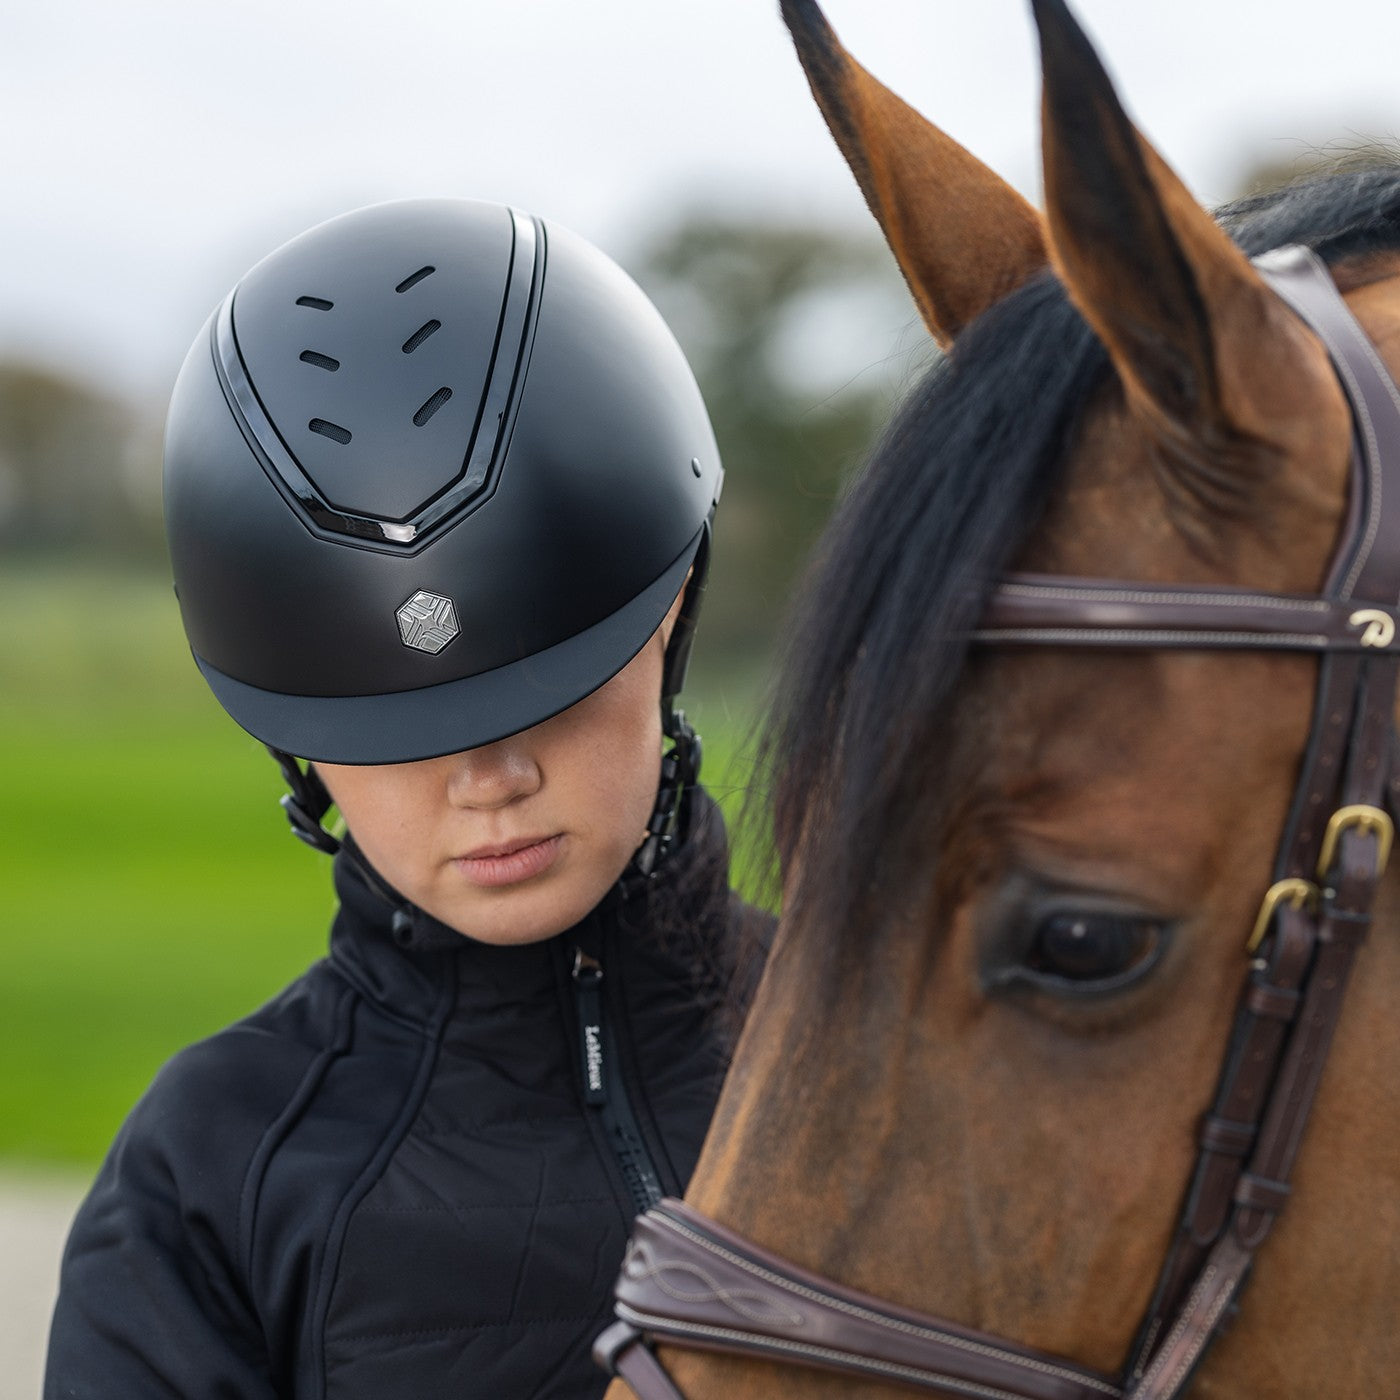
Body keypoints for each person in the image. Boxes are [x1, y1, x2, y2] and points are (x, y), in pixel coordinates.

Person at [45, 198, 767, 1399]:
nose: (489, 782)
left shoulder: (893, 1056)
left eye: (551, 694)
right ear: (294, 737)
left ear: (671, 607)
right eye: (394, 733)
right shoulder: (207, 1178)